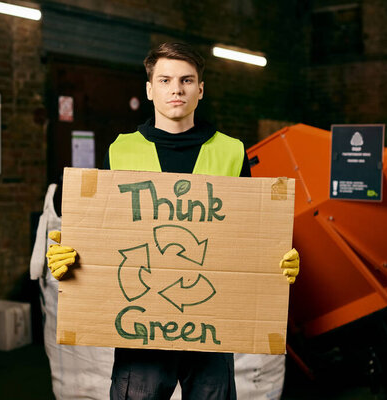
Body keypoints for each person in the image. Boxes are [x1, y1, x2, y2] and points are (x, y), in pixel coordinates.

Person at [46, 42, 300, 400]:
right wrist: (74, 252)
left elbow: (247, 232)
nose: (176, 89)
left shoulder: (231, 150)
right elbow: (105, 232)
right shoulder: (121, 149)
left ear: (200, 89)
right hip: (140, 324)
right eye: (164, 80)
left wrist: (276, 259)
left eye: (186, 80)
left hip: (211, 326)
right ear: (150, 90)